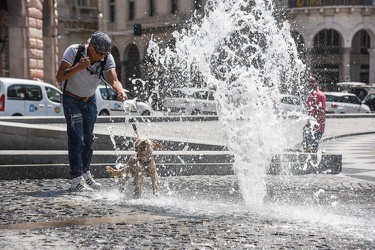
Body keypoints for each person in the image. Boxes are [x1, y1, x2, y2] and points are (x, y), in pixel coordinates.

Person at [56, 31, 127, 191]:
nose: (101, 57)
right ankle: (76, 179)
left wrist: (120, 91)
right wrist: (78, 67)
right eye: (98, 53)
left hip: (90, 101)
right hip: (71, 99)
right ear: (90, 46)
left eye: (104, 54)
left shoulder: (107, 58)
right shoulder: (73, 51)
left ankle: (85, 173)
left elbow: (114, 79)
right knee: (77, 138)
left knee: (89, 139)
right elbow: (59, 77)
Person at [302, 75, 326, 153]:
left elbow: (322, 111)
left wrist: (313, 122)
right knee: (306, 149)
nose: (310, 84)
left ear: (317, 82)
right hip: (310, 127)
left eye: (312, 82)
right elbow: (310, 112)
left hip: (318, 128)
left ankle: (319, 156)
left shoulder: (320, 95)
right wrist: (308, 123)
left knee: (312, 149)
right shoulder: (310, 95)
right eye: (309, 82)